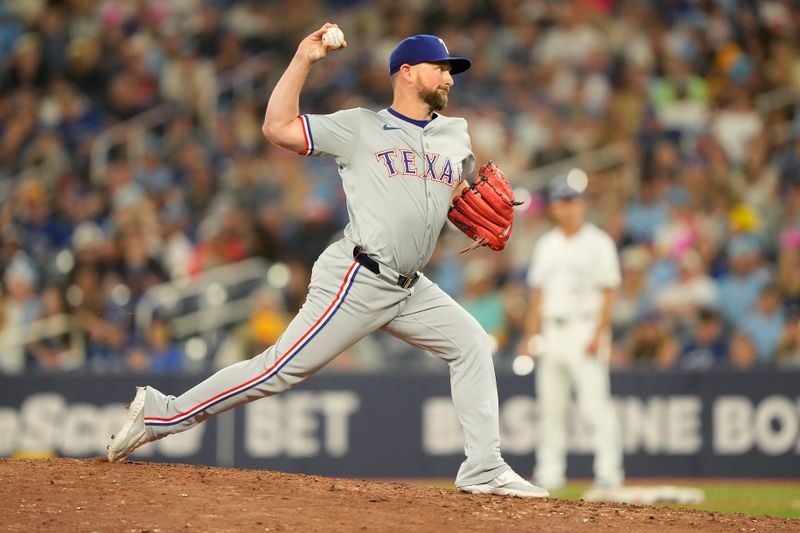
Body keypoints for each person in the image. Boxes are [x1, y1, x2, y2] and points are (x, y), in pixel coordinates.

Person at [107, 24, 548, 498]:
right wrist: (303, 59)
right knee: (277, 370)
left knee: (472, 345)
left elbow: (450, 199)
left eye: (450, 70)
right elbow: (277, 128)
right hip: (359, 276)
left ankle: (483, 468)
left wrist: (469, 207)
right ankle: (160, 413)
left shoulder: (455, 135)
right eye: (439, 68)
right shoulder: (360, 127)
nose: (449, 78)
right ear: (406, 73)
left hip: (410, 287)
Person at [519, 170, 624, 493]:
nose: (568, 207)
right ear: (553, 208)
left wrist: (600, 333)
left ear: (582, 205)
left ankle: (609, 472)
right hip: (551, 331)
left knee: (595, 406)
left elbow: (609, 291)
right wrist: (529, 337)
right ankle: (550, 472)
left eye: (573, 201)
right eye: (562, 201)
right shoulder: (546, 245)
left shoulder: (598, 242)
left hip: (584, 327)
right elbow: (537, 296)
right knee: (551, 407)